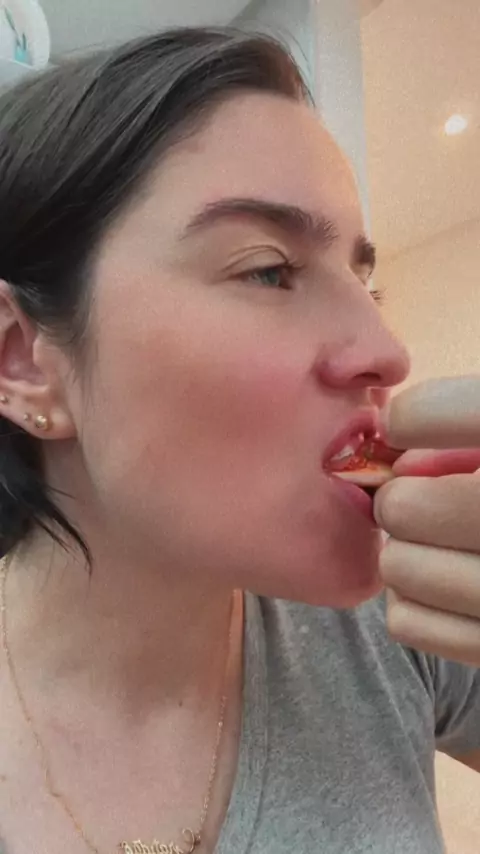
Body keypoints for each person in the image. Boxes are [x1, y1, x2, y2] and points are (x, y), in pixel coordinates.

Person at [0, 26, 478, 854]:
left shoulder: (404, 620)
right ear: (23, 361)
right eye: (268, 270)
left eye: (364, 282)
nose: (387, 351)